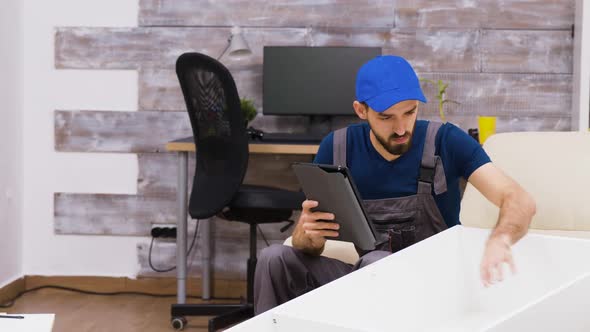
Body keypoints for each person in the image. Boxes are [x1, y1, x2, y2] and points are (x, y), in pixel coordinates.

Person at [253, 55, 536, 315]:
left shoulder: (446, 141)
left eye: (409, 113)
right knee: (273, 257)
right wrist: (307, 236)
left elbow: (519, 199)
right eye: (386, 117)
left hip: (432, 289)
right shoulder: (337, 148)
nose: (401, 129)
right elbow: (310, 245)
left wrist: (501, 239)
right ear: (361, 110)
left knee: (376, 263)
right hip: (367, 279)